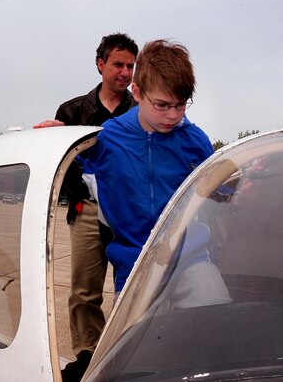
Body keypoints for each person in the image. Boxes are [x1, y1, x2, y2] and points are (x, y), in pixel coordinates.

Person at [34, 33, 138, 382]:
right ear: (100, 64)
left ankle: (125, 355)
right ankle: (88, 356)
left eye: (130, 66)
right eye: (118, 65)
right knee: (84, 290)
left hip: (129, 210)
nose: (125, 73)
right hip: (88, 210)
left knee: (131, 287)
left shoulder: (140, 111)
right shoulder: (73, 111)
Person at [83, 39, 214, 297]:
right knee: (130, 338)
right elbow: (68, 166)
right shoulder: (106, 138)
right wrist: (55, 138)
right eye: (162, 105)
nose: (173, 115)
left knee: (215, 317)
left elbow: (220, 192)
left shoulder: (195, 141)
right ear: (137, 92)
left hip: (190, 261)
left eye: (181, 104)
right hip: (134, 268)